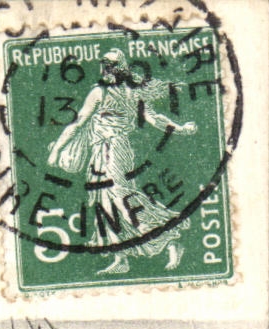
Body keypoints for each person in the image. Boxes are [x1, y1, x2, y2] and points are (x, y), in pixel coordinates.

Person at [46, 49, 197, 275]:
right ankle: (121, 258)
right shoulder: (120, 91)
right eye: (104, 65)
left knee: (121, 199)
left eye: (109, 65)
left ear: (118, 68)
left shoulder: (107, 92)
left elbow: (78, 123)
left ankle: (169, 239)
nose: (106, 69)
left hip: (112, 151)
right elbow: (154, 118)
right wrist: (180, 129)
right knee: (104, 202)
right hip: (104, 151)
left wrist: (56, 151)